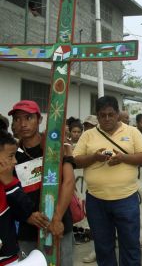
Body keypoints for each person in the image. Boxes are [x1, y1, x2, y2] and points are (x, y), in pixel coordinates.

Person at [74, 96, 142, 266]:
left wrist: (123, 158)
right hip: (96, 200)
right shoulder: (88, 135)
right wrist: (94, 157)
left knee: (130, 246)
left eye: (111, 114)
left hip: (126, 199)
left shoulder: (132, 132)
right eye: (102, 115)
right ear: (97, 116)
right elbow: (77, 160)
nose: (107, 119)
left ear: (117, 114)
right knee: (103, 247)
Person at [9, 100, 75, 266]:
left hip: (59, 227)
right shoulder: (11, 155)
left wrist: (57, 218)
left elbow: (68, 182)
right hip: (28, 230)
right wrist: (27, 215)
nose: (23, 124)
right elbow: (9, 191)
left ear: (39, 120)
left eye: (28, 118)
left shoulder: (55, 146)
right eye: (17, 119)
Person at [0, 130, 48, 266]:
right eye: (10, 156)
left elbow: (27, 207)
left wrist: (9, 182)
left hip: (9, 255)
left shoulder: (10, 181)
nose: (15, 161)